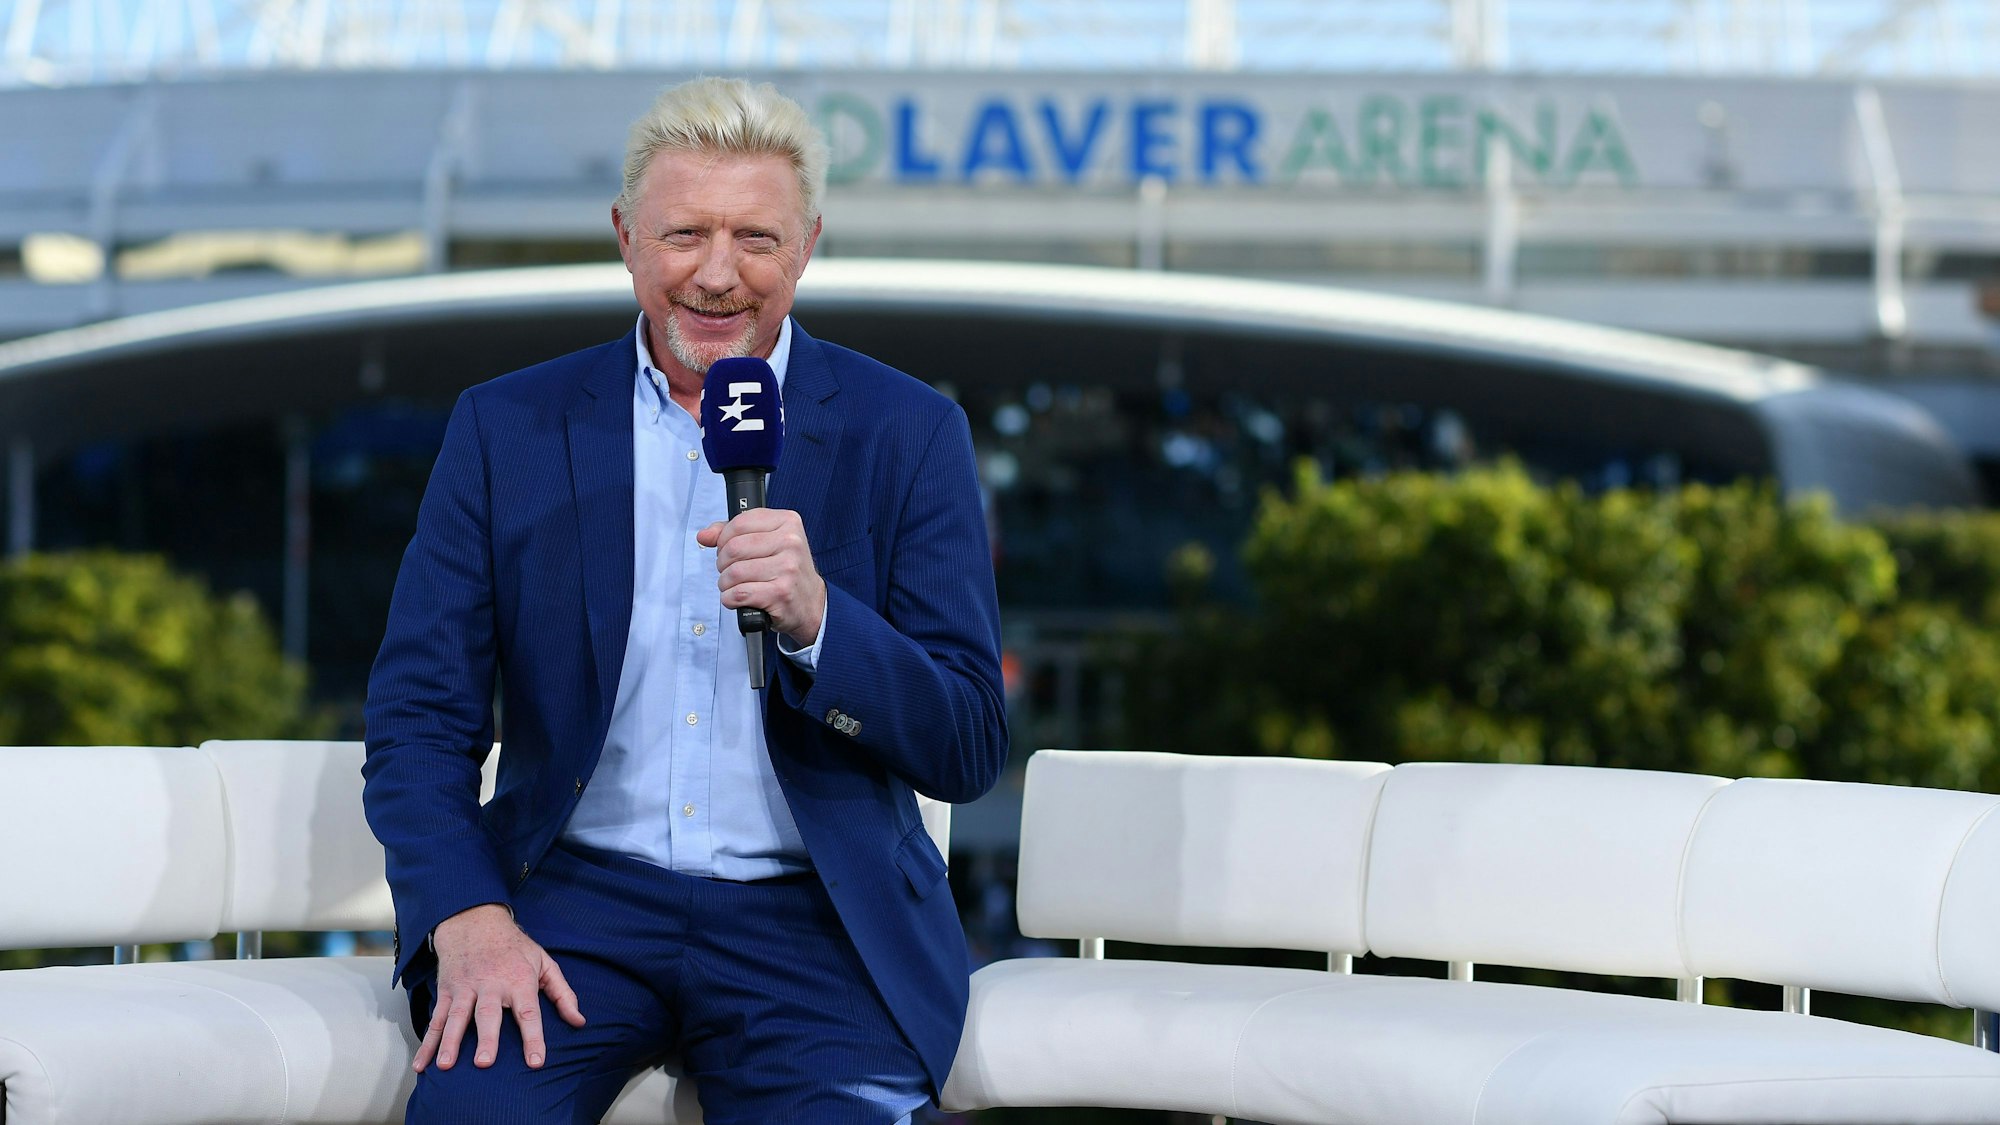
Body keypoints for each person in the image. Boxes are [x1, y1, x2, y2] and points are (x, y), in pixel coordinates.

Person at [362, 76, 1009, 1124]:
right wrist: (468, 915)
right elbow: (415, 721)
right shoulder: (506, 429)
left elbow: (968, 742)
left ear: (806, 246)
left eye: (755, 239)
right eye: (682, 236)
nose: (716, 276)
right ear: (624, 236)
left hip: (817, 924)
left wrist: (820, 622)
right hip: (570, 901)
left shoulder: (908, 433)